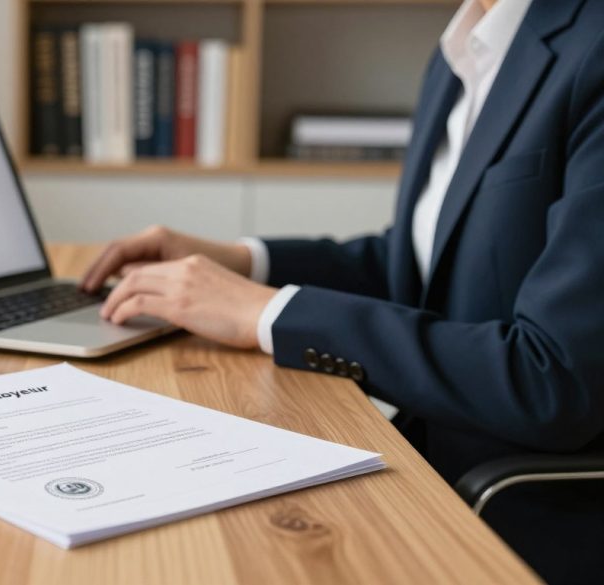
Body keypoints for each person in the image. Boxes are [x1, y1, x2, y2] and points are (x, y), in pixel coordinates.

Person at [81, 0, 604, 582]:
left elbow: (552, 379)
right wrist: (246, 263)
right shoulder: (464, 47)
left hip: (509, 511)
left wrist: (266, 313)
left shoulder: (592, 48)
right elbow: (416, 266)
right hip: (421, 464)